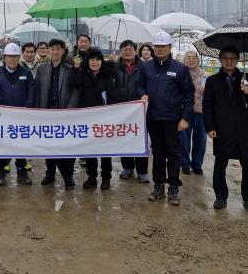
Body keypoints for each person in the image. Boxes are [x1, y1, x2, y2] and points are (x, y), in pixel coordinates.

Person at [136, 31, 194, 205]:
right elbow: (139, 85)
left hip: (172, 119)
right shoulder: (146, 67)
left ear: (169, 47)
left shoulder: (180, 68)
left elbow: (189, 95)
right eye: (157, 46)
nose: (159, 49)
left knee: (173, 154)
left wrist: (185, 118)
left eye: (163, 46)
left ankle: (173, 188)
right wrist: (142, 93)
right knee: (158, 153)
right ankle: (159, 186)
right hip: (153, 118)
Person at [202, 46, 248, 213]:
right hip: (222, 128)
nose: (229, 61)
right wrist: (210, 126)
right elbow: (207, 105)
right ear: (220, 60)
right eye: (225, 58)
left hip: (244, 128)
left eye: (233, 58)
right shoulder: (213, 80)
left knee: (247, 165)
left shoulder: (246, 77)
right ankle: (221, 197)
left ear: (237, 60)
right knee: (220, 164)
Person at [69, 48, 118, 190]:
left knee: (105, 150)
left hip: (104, 118)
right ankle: (92, 177)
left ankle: (106, 177)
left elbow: (113, 95)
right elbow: (73, 83)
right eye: (92, 60)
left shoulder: (107, 76)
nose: (94, 63)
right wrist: (76, 67)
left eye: (97, 60)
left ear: (102, 61)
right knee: (90, 149)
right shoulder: (83, 74)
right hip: (87, 117)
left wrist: (112, 63)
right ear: (88, 61)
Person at [0, 42, 35, 186]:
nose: (12, 59)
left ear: (19, 57)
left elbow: (31, 92)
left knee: (21, 145)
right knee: (2, 144)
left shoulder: (26, 73)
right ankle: (1, 172)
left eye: (15, 56)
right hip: (3, 117)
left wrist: (26, 107)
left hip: (22, 116)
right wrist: (0, 109)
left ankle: (21, 171)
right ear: (4, 57)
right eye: (9, 56)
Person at [34, 38, 77, 189]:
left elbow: (76, 92)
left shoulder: (70, 69)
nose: (55, 52)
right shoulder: (42, 68)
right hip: (47, 111)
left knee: (67, 146)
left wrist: (69, 110)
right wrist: (37, 110)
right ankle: (50, 173)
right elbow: (37, 90)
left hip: (64, 112)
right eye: (53, 49)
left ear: (63, 51)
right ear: (48, 51)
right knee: (49, 144)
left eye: (58, 49)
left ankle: (68, 176)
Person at [114, 40, 150, 183]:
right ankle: (127, 167)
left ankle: (142, 171)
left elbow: (148, 85)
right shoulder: (115, 67)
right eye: (124, 49)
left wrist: (144, 95)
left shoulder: (144, 67)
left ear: (135, 51)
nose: (127, 51)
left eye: (130, 49)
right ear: (120, 51)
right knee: (124, 138)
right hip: (121, 108)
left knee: (140, 139)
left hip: (139, 109)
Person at [179, 50, 207, 176]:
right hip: (185, 111)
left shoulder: (205, 75)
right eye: (188, 57)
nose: (191, 60)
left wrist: (206, 90)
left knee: (200, 140)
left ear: (198, 60)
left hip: (201, 111)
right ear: (184, 60)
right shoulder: (180, 74)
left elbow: (212, 94)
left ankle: (197, 164)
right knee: (184, 139)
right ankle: (185, 164)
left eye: (194, 58)